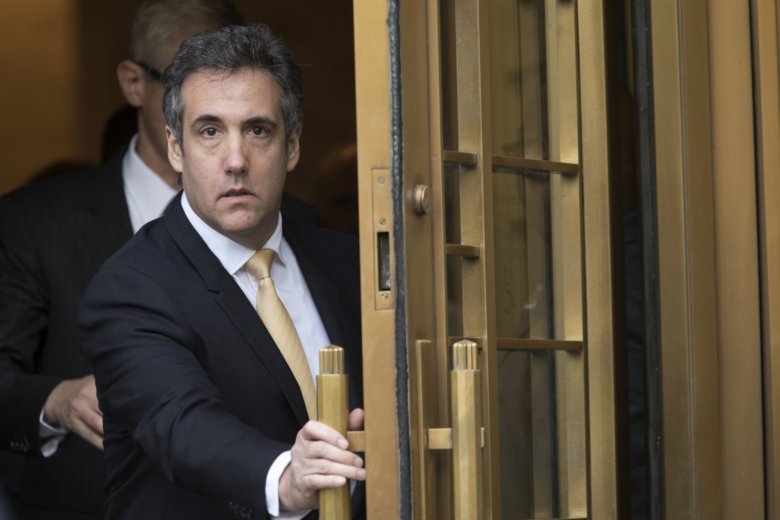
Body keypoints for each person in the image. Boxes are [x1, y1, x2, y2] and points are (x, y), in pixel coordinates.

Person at [79, 23, 365, 520]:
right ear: (175, 148)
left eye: (258, 130)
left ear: (292, 146)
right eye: (210, 131)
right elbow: (180, 423)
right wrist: (283, 478)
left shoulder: (346, 263)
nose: (236, 160)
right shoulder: (131, 287)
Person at [0, 1, 245, 518]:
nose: (209, 107)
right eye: (185, 83)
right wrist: (57, 401)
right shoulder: (35, 221)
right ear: (134, 83)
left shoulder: (295, 223)